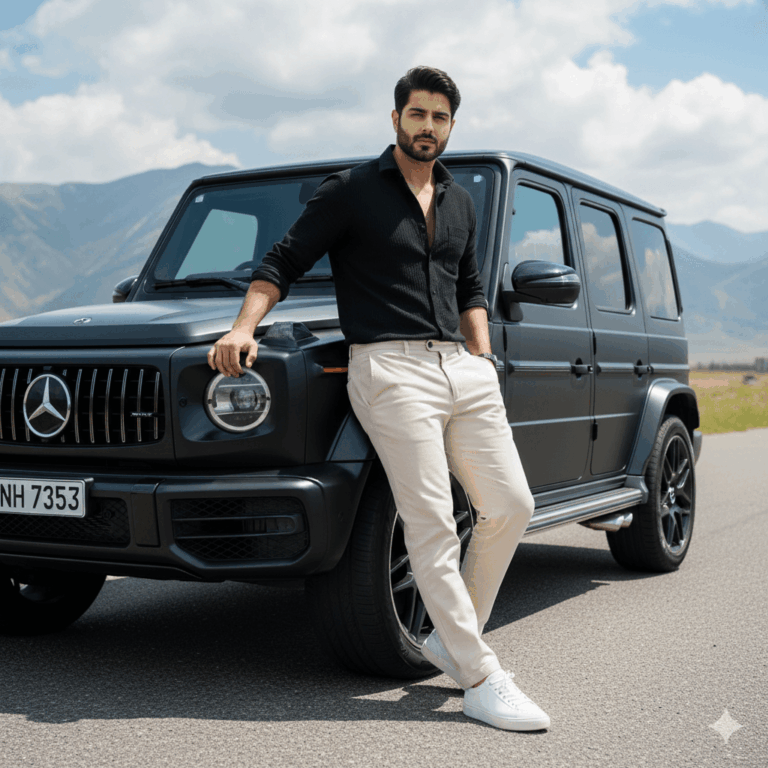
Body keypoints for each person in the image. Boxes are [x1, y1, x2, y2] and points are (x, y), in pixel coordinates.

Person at [208, 66, 550, 732]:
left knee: (511, 504)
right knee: (428, 521)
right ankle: (480, 677)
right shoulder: (353, 191)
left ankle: (453, 640)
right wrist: (242, 327)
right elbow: (282, 261)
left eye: (440, 118)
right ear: (395, 119)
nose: (428, 128)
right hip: (390, 370)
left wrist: (481, 355)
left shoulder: (459, 201)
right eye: (417, 115)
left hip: (463, 367)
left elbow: (471, 286)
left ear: (452, 125)